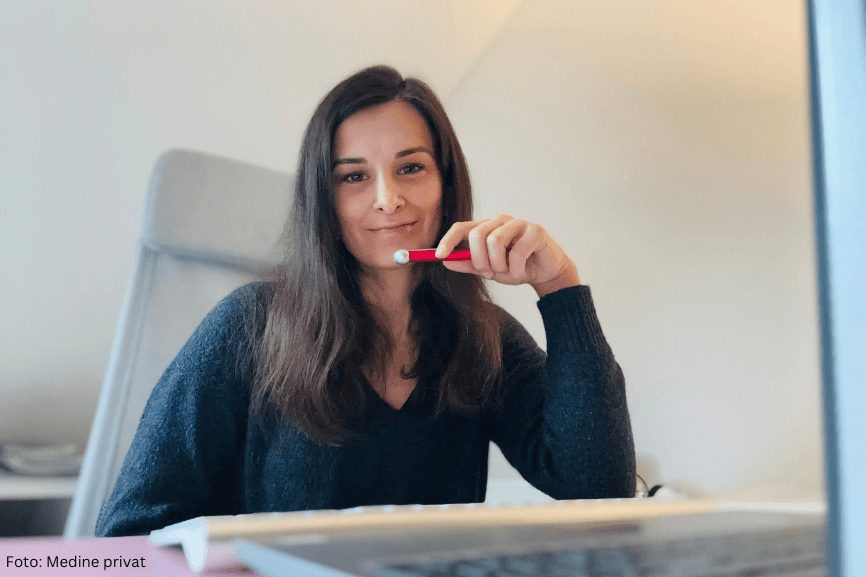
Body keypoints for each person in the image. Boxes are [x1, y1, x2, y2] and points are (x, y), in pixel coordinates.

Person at [96, 65, 636, 537]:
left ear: (445, 183)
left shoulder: (480, 335)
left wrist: (560, 287)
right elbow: (125, 539)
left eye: (410, 167)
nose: (387, 199)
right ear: (323, 201)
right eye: (354, 176)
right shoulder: (247, 327)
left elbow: (599, 492)